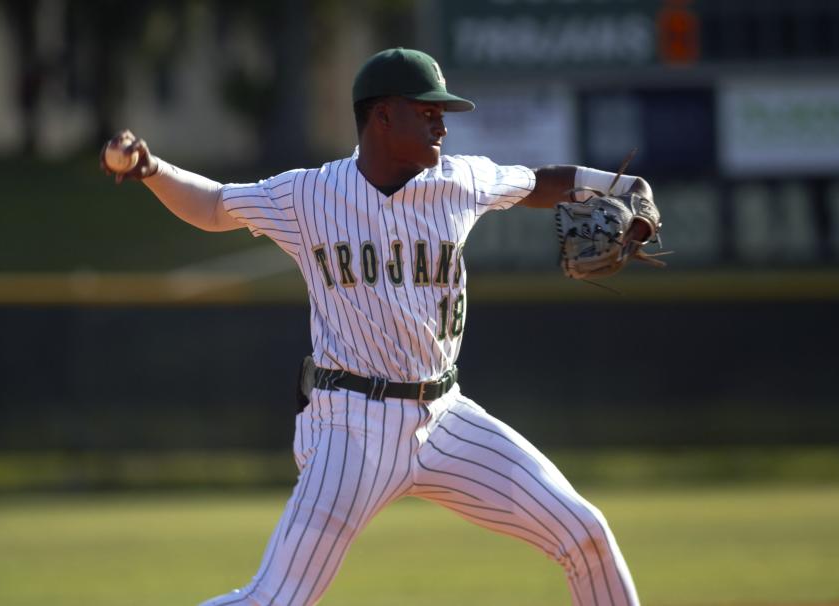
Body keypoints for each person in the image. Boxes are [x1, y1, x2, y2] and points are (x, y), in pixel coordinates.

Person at [102, 48, 654, 606]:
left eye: (442, 112)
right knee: (275, 597)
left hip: (446, 417)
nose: (442, 122)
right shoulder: (309, 194)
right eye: (427, 110)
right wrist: (151, 169)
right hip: (352, 425)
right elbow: (217, 206)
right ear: (383, 116)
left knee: (584, 533)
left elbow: (539, 182)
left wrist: (619, 187)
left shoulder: (459, 181)